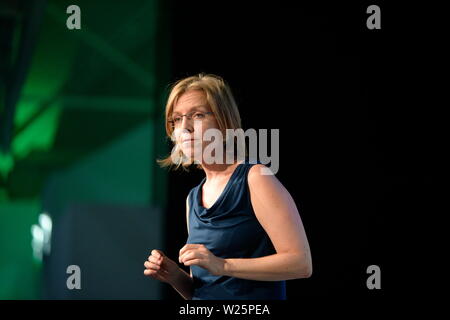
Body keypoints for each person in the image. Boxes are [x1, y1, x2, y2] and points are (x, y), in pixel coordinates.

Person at [144, 73, 312, 300]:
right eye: (177, 119)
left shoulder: (255, 178)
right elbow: (204, 289)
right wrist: (175, 276)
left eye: (197, 115)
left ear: (224, 122)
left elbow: (300, 263)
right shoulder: (193, 198)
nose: (185, 128)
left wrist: (222, 265)